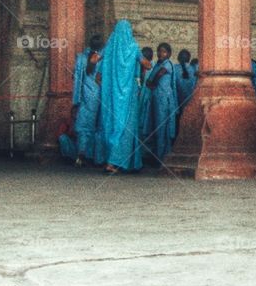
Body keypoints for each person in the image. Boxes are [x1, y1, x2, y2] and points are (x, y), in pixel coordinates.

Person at [99, 20, 147, 173]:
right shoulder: (133, 47)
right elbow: (147, 64)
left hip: (111, 95)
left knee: (112, 123)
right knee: (126, 127)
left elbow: (95, 63)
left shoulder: (110, 47)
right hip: (129, 97)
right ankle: (117, 162)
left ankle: (111, 161)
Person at [71, 33, 103, 166]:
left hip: (85, 95)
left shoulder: (81, 58)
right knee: (98, 126)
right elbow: (101, 79)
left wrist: (76, 99)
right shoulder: (103, 58)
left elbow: (76, 78)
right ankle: (96, 156)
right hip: (99, 96)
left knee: (83, 126)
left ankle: (82, 153)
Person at [143, 42, 178, 161]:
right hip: (157, 98)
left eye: (163, 51)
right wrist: (152, 83)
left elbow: (157, 76)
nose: (160, 53)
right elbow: (148, 82)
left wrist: (153, 83)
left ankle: (162, 156)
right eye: (159, 51)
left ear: (168, 54)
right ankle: (157, 154)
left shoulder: (167, 64)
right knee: (156, 126)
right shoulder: (158, 64)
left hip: (164, 99)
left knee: (162, 127)